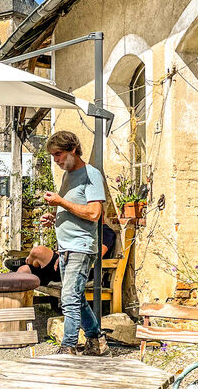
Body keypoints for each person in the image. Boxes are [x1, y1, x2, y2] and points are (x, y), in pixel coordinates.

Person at [40, 130, 110, 356]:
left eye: (59, 154)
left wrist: (60, 202)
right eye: (53, 156)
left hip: (81, 247)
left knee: (68, 298)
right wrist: (56, 216)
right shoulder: (67, 176)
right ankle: (95, 340)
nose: (56, 160)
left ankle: (68, 346)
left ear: (73, 150)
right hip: (66, 247)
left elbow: (93, 213)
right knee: (76, 298)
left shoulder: (91, 174)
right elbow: (74, 209)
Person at [7, 224, 117, 287]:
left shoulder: (104, 231)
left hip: (74, 268)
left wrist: (68, 254)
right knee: (23, 271)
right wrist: (62, 252)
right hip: (61, 266)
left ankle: (26, 260)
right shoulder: (84, 231)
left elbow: (95, 257)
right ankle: (27, 263)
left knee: (38, 251)